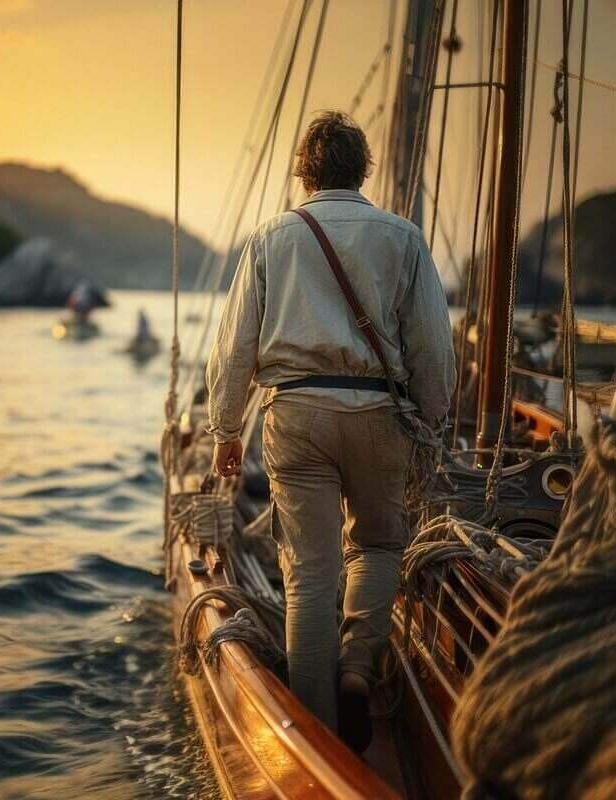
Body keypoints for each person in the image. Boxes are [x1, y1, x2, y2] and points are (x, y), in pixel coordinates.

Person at [204, 111, 456, 750]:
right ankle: (357, 669)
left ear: (304, 172)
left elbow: (234, 348)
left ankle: (313, 734)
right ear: (363, 169)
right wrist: (431, 419)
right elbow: (431, 346)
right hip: (378, 414)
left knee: (310, 575)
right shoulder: (403, 238)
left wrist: (226, 429)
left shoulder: (270, 238)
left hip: (296, 417)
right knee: (377, 545)